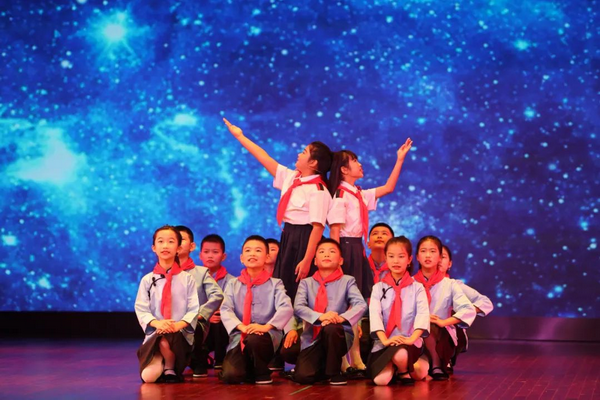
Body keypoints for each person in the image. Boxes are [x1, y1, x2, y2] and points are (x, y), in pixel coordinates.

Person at [327, 139, 412, 373]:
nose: (360, 164)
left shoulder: (358, 194)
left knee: (356, 304)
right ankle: (344, 359)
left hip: (357, 249)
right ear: (344, 169)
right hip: (345, 249)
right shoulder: (340, 195)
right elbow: (335, 231)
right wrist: (336, 261)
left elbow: (388, 188)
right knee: (343, 303)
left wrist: (400, 159)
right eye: (355, 161)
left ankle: (355, 357)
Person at [223, 118, 332, 300]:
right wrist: (240, 136)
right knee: (284, 287)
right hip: (288, 236)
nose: (299, 154)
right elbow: (264, 158)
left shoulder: (319, 190)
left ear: (313, 163)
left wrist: (307, 260)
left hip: (306, 240)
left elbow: (318, 228)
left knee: (301, 289)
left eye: (304, 152)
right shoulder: (292, 178)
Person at [219, 235, 294, 384]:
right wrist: (242, 327)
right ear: (242, 258)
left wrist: (266, 327)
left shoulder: (275, 284)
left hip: (266, 336)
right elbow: (226, 309)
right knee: (230, 376)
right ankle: (248, 369)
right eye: (248, 250)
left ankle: (261, 372)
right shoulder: (233, 284)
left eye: (258, 250)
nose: (252, 254)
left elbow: (286, 307)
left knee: (255, 339)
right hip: (240, 335)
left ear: (267, 257)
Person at [293, 239, 367, 385]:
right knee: (303, 377)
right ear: (315, 261)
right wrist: (321, 317)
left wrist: (340, 318)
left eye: (332, 251)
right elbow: (298, 307)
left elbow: (361, 304)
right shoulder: (306, 283)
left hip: (339, 335)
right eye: (322, 252)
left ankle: (335, 373)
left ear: (340, 261)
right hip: (313, 337)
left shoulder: (348, 281)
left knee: (331, 328)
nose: (326, 254)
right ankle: (324, 368)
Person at [134, 226, 200, 383]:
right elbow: (141, 308)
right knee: (148, 377)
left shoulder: (187, 279)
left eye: (171, 242)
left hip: (178, 334)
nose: (165, 246)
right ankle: (160, 357)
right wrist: (158, 323)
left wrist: (177, 325)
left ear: (178, 248)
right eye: (160, 241)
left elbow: (193, 309)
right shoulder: (147, 279)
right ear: (154, 248)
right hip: (155, 332)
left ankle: (170, 365)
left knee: (168, 339)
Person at [368, 236, 429, 386]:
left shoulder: (417, 287)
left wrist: (410, 339)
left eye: (401, 256)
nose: (396, 261)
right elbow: (375, 315)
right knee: (380, 381)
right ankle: (400, 369)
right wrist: (385, 340)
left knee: (403, 356)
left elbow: (422, 315)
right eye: (391, 256)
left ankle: (403, 369)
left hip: (409, 341)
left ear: (409, 260)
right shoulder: (378, 287)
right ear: (386, 258)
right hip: (385, 342)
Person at [413, 236, 476, 381]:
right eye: (423, 251)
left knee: (429, 324)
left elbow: (467, 309)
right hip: (414, 336)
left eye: (432, 251)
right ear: (417, 257)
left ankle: (437, 365)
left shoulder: (450, 284)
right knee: (418, 372)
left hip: (440, 337)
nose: (428, 255)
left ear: (440, 257)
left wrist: (444, 322)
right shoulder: (410, 283)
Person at [175, 226, 224, 377]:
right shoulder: (162, 273)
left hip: (195, 322)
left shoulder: (201, 272)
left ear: (192, 246)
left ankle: (197, 358)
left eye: (182, 239)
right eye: (174, 240)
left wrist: (201, 313)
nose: (177, 243)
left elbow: (217, 294)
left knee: (193, 327)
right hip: (171, 322)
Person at [440, 245, 494, 371]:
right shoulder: (417, 285)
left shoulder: (455, 285)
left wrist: (464, 312)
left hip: (448, 332)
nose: (438, 261)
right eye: (435, 256)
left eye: (443, 257)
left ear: (450, 263)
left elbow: (486, 302)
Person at [199, 233, 235, 371]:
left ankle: (220, 359)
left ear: (223, 256)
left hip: (222, 327)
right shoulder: (192, 278)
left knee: (219, 318)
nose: (210, 256)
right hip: (201, 323)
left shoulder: (232, 281)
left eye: (215, 252)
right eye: (206, 252)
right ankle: (201, 358)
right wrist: (206, 315)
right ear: (200, 255)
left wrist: (221, 314)